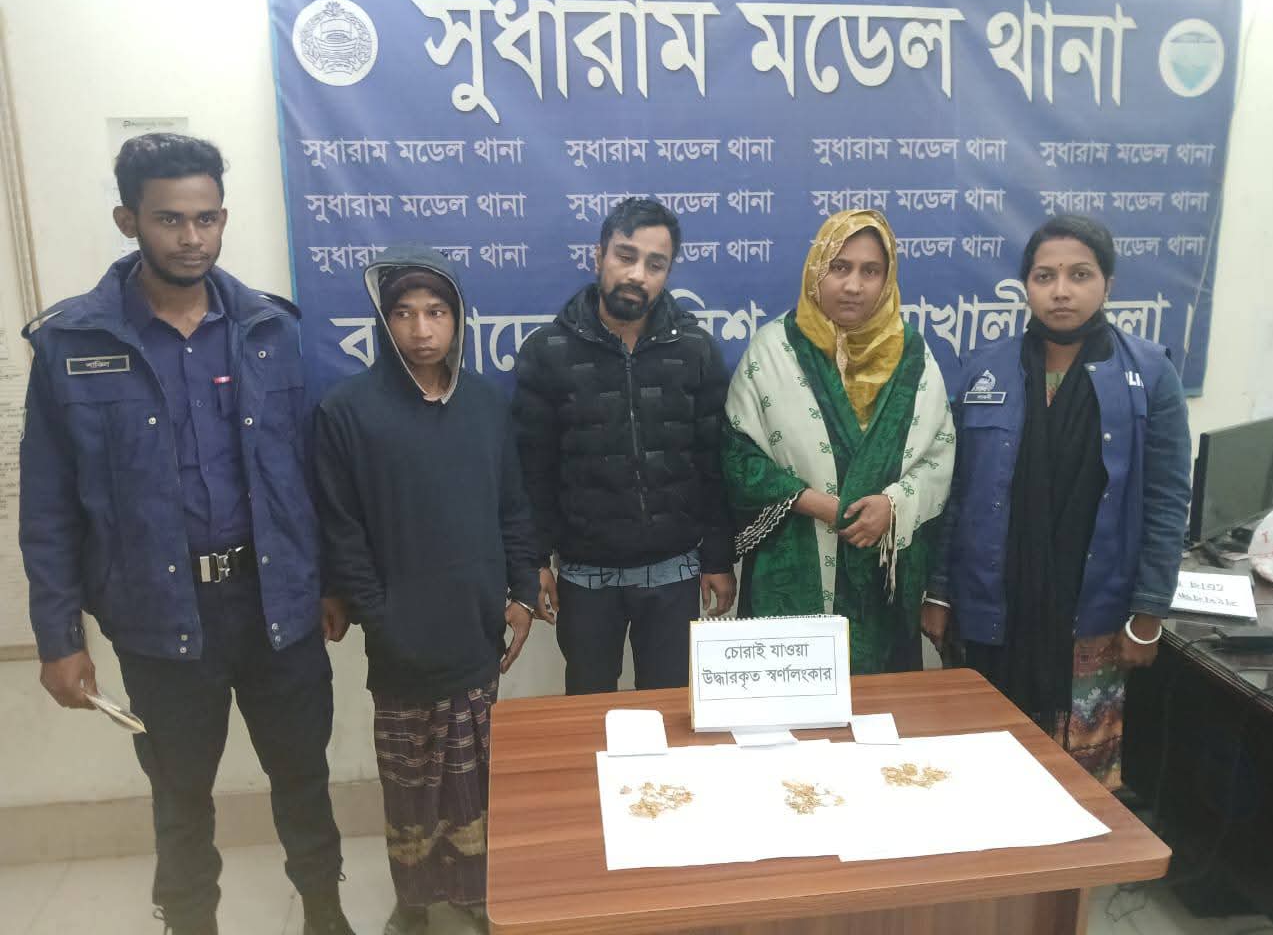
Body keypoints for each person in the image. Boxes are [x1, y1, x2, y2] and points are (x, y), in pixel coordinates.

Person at [18, 133, 352, 935]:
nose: (192, 237)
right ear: (128, 220)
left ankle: (324, 912)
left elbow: (314, 472)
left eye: (206, 218)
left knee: (303, 778)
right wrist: (58, 638)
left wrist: (332, 582)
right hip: (161, 616)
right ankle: (191, 921)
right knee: (179, 796)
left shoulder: (271, 328)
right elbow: (49, 507)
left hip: (275, 604)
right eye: (170, 219)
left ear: (223, 217)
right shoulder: (73, 345)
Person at [313, 245, 541, 935]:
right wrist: (380, 619)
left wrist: (521, 594)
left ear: (457, 319)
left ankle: (475, 894)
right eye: (405, 313)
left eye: (436, 312)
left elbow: (513, 508)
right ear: (384, 323)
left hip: (474, 628)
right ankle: (414, 901)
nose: (421, 329)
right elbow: (342, 532)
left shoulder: (485, 404)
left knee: (474, 778)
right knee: (411, 783)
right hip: (400, 638)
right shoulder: (347, 412)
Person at [922, 213, 1191, 787]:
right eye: (1045, 276)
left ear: (1107, 285)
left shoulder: (1151, 374)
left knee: (1077, 786)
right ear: (1026, 285)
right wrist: (938, 591)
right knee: (979, 770)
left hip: (1094, 610)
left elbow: (1167, 500)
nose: (1061, 291)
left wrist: (1149, 611)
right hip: (991, 606)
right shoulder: (984, 368)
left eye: (1079, 275)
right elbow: (955, 490)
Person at [513, 197, 735, 695]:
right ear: (599, 257)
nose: (637, 274)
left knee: (671, 710)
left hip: (676, 571)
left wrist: (718, 559)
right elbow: (532, 471)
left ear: (668, 272)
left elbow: (714, 464)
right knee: (590, 713)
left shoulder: (695, 350)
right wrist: (533, 562)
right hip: (585, 575)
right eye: (626, 256)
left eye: (655, 264)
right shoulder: (548, 352)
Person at [721, 208, 955, 673]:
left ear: (887, 279)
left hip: (881, 571)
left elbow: (939, 454)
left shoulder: (913, 355)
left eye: (870, 271)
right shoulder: (772, 349)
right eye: (840, 267)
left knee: (878, 709)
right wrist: (815, 503)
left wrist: (894, 505)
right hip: (793, 561)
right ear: (816, 271)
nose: (853, 285)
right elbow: (738, 455)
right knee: (790, 700)